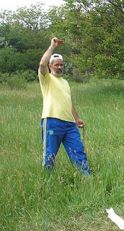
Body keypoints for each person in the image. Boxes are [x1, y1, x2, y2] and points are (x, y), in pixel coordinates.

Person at [38, 37, 91, 175]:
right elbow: (42, 64)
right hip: (51, 121)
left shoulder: (65, 82)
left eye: (61, 64)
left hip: (69, 125)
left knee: (78, 152)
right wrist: (52, 47)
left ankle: (88, 179)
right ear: (51, 66)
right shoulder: (46, 79)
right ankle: (47, 183)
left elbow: (69, 103)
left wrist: (77, 119)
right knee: (49, 155)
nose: (60, 67)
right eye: (56, 64)